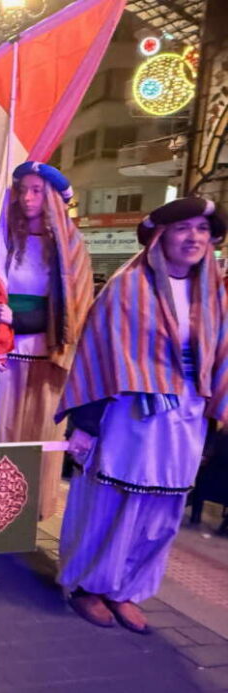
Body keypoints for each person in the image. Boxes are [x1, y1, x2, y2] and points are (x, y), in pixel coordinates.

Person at [56, 198, 228, 634]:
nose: (193, 238)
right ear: (160, 236)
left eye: (203, 230)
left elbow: (220, 360)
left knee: (161, 510)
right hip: (129, 414)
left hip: (185, 418)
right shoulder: (126, 287)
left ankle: (125, 589)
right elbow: (97, 355)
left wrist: (213, 419)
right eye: (183, 228)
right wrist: (86, 426)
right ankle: (89, 586)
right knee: (111, 502)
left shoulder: (215, 294)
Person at [0, 161, 92, 519]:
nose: (27, 197)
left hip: (44, 354)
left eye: (37, 190)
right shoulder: (3, 237)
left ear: (53, 197)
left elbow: (73, 309)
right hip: (1, 353)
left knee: (35, 437)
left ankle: (26, 511)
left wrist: (20, 320)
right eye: (23, 189)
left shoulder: (71, 246)